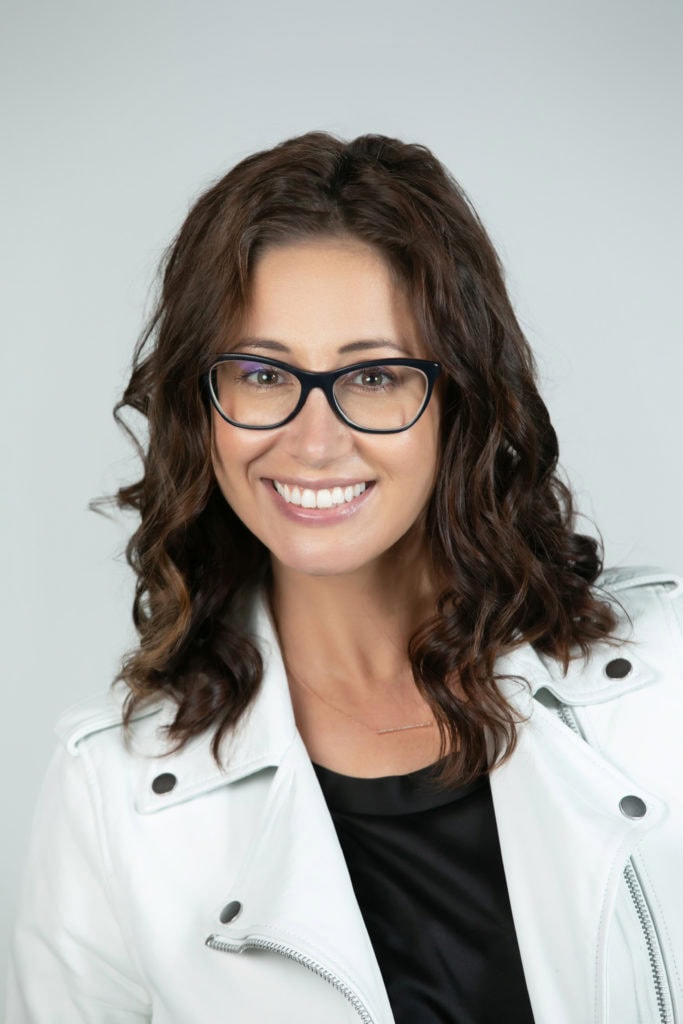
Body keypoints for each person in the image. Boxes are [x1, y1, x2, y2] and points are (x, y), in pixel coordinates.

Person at [7, 132, 683, 1024]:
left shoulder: (665, 687)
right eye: (259, 373)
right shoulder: (112, 796)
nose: (314, 439)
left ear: (461, 401)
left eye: (371, 375)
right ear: (200, 409)